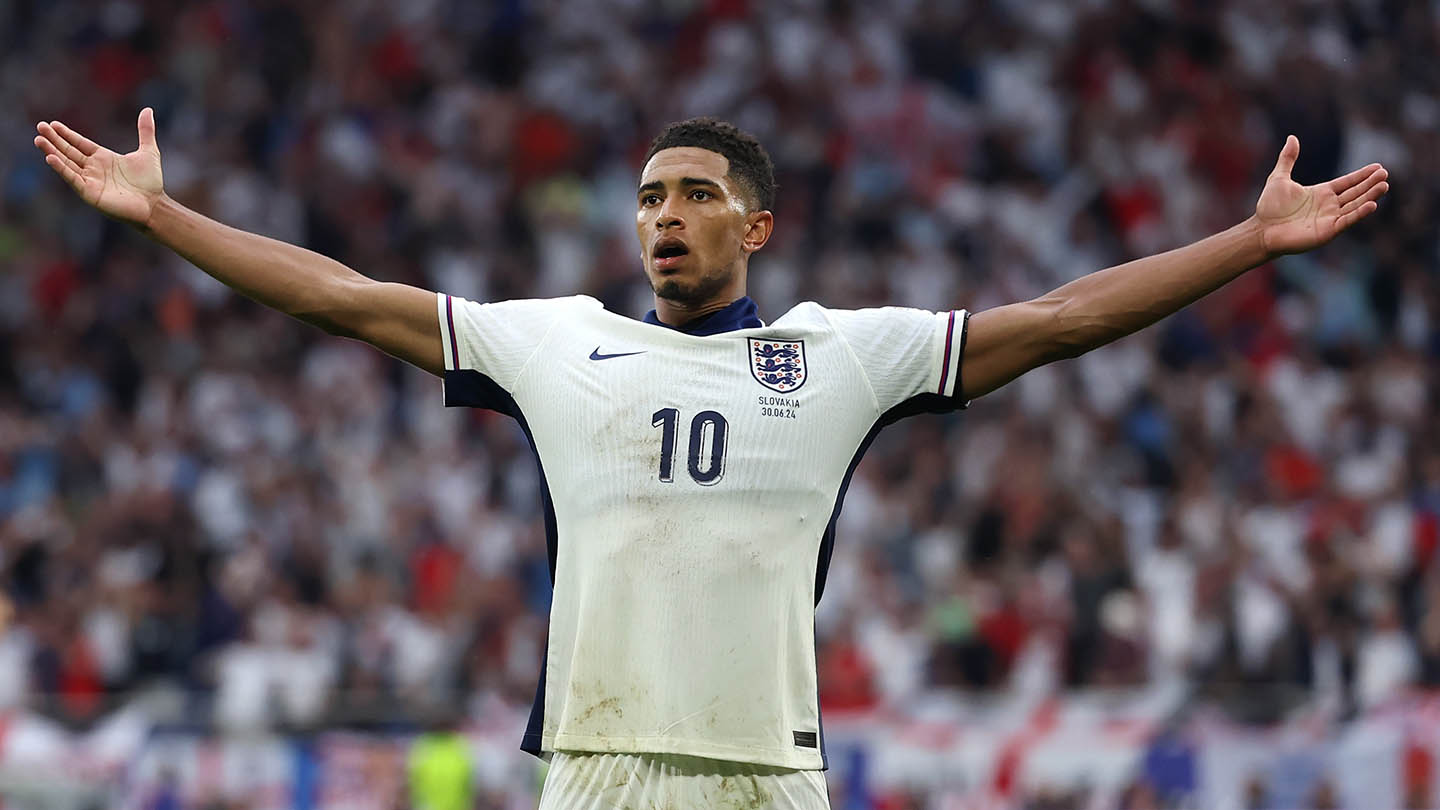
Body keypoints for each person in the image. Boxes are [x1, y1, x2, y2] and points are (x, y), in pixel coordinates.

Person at [33, 111, 1388, 810]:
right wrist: (166, 216)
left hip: (768, 770)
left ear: (761, 224)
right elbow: (343, 293)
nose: (661, 217)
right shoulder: (556, 343)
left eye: (692, 194)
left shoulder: (842, 356)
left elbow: (1058, 317)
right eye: (646, 197)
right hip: (599, 765)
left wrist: (1247, 245)